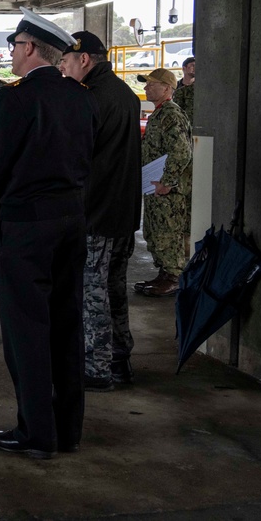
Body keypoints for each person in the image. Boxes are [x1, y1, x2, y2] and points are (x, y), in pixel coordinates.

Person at [0, 8, 97, 459]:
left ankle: (36, 433)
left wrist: (3, 211)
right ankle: (68, 430)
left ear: (29, 48)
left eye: (14, 45)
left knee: (26, 332)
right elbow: (90, 157)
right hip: (71, 219)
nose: (11, 52)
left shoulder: (15, 100)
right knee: (66, 326)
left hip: (26, 225)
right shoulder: (81, 97)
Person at [59, 32, 142, 390]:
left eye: (66, 61)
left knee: (92, 291)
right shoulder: (124, 93)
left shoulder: (88, 98)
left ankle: (97, 367)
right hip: (124, 210)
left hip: (96, 210)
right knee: (115, 287)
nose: (62, 68)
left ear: (85, 60)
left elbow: (78, 155)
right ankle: (121, 360)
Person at [135, 68, 192, 297]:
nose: (146, 88)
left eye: (151, 84)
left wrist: (167, 182)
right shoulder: (159, 113)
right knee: (155, 231)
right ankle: (163, 274)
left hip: (167, 190)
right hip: (156, 185)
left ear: (167, 88)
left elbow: (181, 152)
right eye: (146, 84)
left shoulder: (171, 114)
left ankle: (173, 277)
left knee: (168, 233)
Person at [173, 56, 194, 123]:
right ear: (184, 68)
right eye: (192, 66)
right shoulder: (174, 86)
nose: (196, 68)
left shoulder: (200, 88)